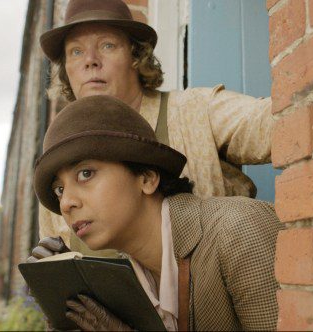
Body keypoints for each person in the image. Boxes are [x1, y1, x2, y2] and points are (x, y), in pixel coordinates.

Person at [29, 95, 283, 330]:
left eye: (86, 173)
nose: (66, 203)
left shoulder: (239, 230)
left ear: (147, 178)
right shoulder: (121, 287)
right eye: (60, 190)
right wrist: (62, 300)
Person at [37, 0, 274, 249]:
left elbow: (276, 119)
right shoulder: (58, 165)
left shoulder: (194, 111)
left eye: (107, 45)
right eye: (76, 51)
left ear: (136, 56)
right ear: (66, 70)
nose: (91, 60)